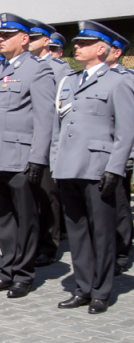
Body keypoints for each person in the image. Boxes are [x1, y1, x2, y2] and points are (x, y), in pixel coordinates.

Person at [51, 21, 134, 314]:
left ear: (102, 49)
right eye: (77, 43)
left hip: (98, 168)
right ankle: (83, 287)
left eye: (84, 43)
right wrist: (54, 162)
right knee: (77, 233)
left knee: (102, 232)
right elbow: (58, 128)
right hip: (68, 168)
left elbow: (126, 132)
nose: (77, 47)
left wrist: (115, 169)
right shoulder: (70, 81)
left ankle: (101, 290)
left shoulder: (118, 82)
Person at [0, 13, 55, 299]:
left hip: (20, 157)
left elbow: (45, 118)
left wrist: (37, 158)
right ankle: (6, 269)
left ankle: (23, 274)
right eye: (0, 35)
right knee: (4, 220)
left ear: (24, 39)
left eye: (7, 35)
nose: (1, 39)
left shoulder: (38, 70)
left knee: (25, 218)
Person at [27, 19, 71, 267]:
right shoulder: (25, 66)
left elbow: (60, 110)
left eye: (35, 38)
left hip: (48, 139)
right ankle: (33, 242)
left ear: (46, 41)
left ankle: (49, 245)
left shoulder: (59, 69)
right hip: (26, 141)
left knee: (47, 195)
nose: (30, 42)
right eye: (28, 38)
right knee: (31, 197)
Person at [103, 35, 134, 276]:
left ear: (118, 52)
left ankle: (121, 254)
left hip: (119, 154)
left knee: (120, 206)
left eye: (112, 48)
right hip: (95, 155)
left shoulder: (125, 79)